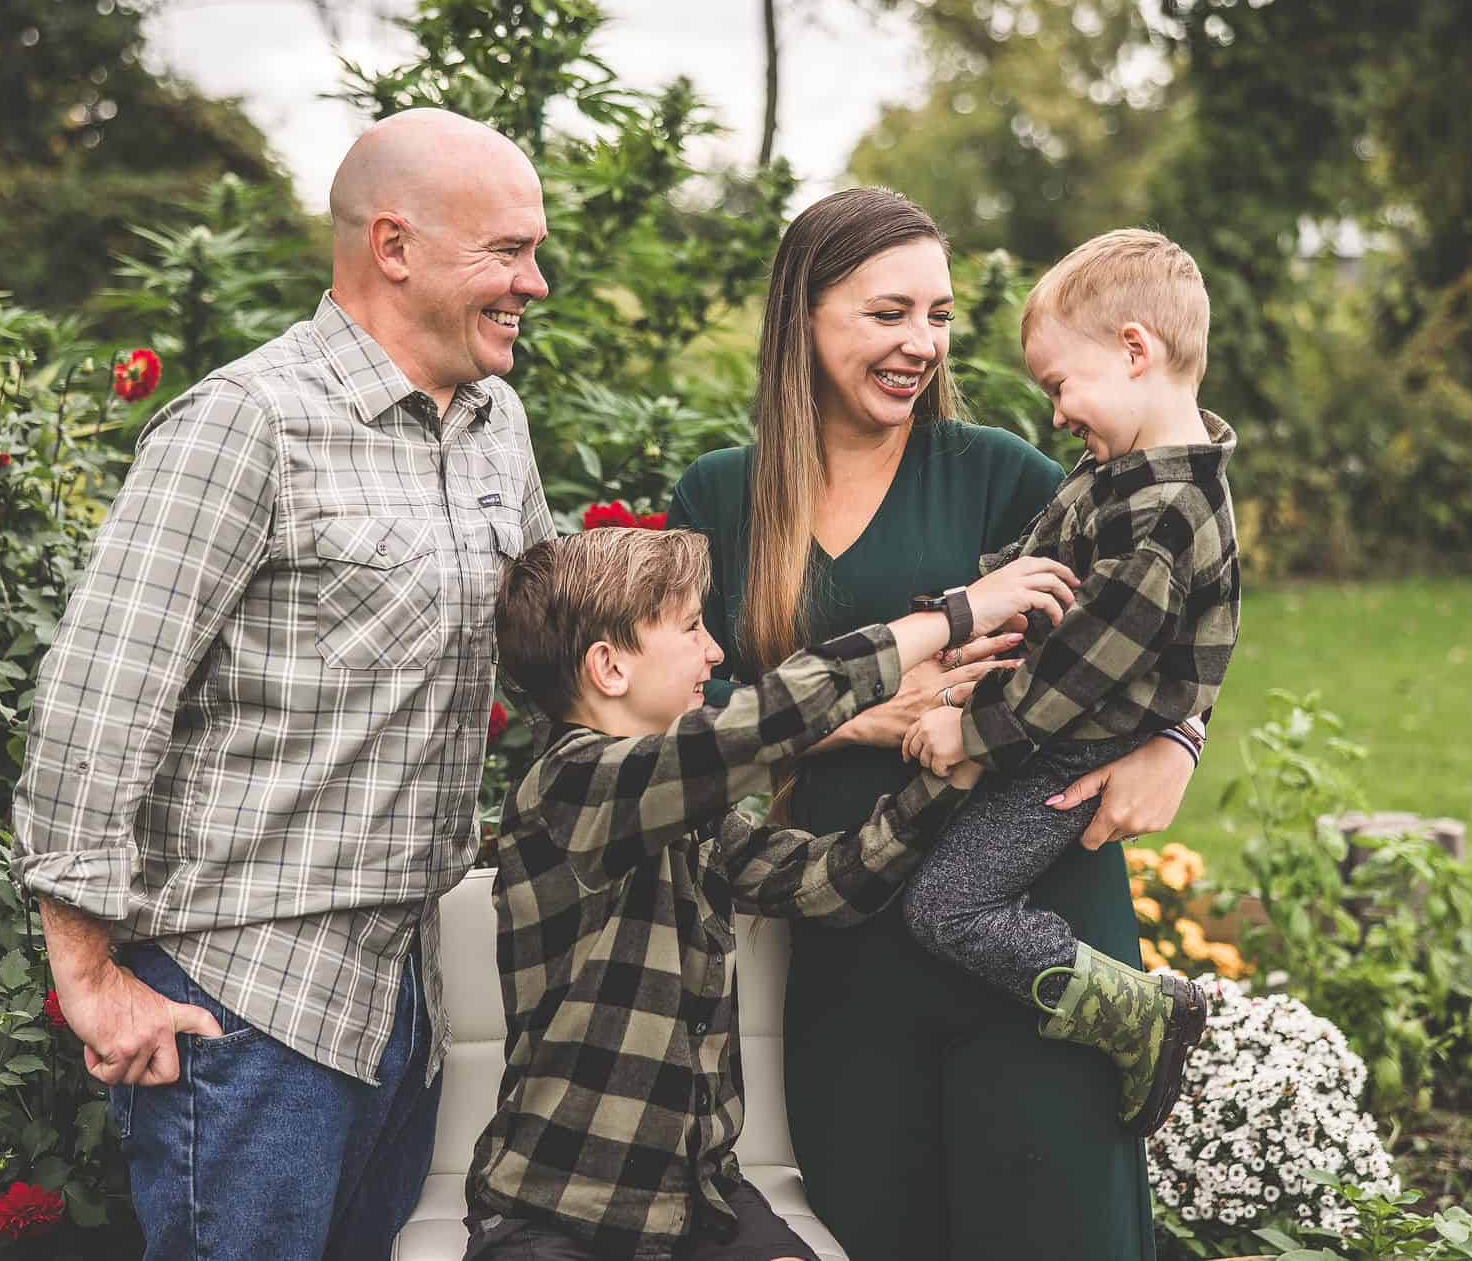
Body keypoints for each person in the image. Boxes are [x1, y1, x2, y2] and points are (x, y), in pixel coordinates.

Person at [9, 108, 556, 1260]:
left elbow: (563, 649)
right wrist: (87, 974)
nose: (534, 283)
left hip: (402, 998)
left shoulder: (495, 421)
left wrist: (840, 704)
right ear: (394, 247)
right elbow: (98, 698)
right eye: (506, 252)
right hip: (245, 1002)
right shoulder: (246, 423)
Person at [665, 188, 1205, 1260]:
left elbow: (1174, 576)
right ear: (802, 318)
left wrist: (1174, 740)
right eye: (886, 314)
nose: (919, 343)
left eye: (938, 316)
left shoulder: (1003, 474)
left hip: (1033, 937)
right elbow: (668, 719)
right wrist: (857, 724)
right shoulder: (721, 500)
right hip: (847, 948)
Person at [463, 526, 1074, 1261]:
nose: (714, 652)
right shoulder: (566, 790)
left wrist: (952, 768)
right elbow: (751, 729)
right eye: (691, 628)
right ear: (609, 666)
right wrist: (951, 617)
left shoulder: (692, 817)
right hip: (558, 1211)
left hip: (700, 1198)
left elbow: (830, 884)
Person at [898, 227, 1240, 1139]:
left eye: (1059, 385)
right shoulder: (1121, 472)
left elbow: (1079, 675)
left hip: (1078, 742)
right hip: (1055, 718)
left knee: (950, 906)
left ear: (1136, 350)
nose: (1054, 415)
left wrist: (969, 735)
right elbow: (1041, 556)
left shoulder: (1166, 515)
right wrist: (965, 608)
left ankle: (1143, 1014)